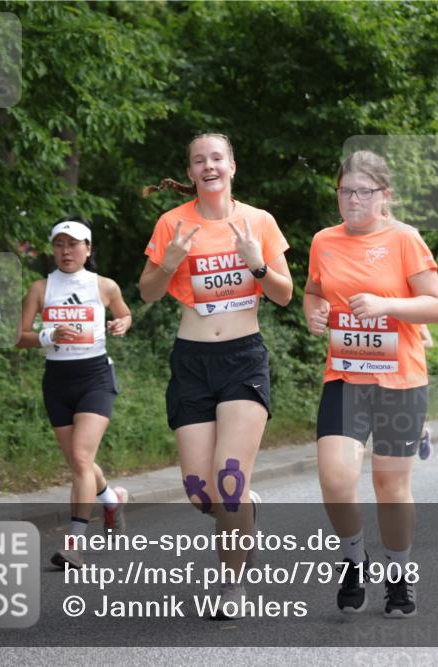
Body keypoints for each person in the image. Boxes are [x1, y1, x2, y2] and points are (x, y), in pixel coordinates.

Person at [139, 133, 292, 619]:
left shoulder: (258, 221)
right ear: (190, 172)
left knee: (228, 482)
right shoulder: (173, 223)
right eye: (199, 160)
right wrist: (168, 264)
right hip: (192, 361)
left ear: (232, 166)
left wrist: (256, 263)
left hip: (242, 358)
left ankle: (231, 585)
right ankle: (247, 507)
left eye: (217, 158)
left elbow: (285, 294)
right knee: (202, 494)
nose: (209, 166)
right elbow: (147, 292)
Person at [304, 150, 438, 617]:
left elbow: (436, 306)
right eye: (345, 191)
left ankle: (399, 576)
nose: (352, 200)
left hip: (400, 381)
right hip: (345, 377)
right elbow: (313, 292)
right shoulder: (324, 241)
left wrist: (387, 306)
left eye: (363, 192)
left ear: (385, 195)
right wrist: (314, 314)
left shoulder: (404, 239)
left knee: (390, 485)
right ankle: (353, 558)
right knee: (335, 479)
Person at [17, 218, 132, 569]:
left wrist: (121, 323)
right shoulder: (40, 288)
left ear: (88, 248)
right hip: (57, 381)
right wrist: (49, 336)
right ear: (53, 249)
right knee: (79, 463)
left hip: (95, 377)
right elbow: (20, 337)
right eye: (59, 244)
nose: (66, 251)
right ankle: (111, 500)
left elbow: (125, 315)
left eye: (73, 244)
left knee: (81, 459)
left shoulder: (105, 286)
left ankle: (74, 546)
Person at [417, 325, 434, 460]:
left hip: (412, 372)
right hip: (384, 373)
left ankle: (423, 436)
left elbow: (429, 342)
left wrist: (408, 344)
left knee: (412, 421)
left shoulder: (413, 319)